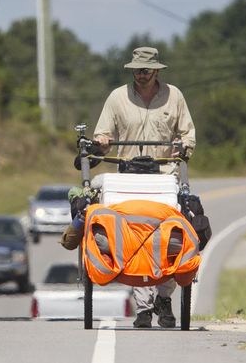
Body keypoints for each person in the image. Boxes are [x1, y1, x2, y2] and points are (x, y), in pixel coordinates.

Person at [93, 46, 196, 329]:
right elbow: (102, 132)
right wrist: (102, 141)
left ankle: (165, 297)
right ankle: (143, 308)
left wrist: (183, 146)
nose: (141, 75)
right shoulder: (117, 97)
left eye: (146, 70)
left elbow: (188, 133)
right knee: (132, 240)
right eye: (137, 70)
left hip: (165, 177)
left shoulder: (174, 97)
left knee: (171, 238)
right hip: (128, 177)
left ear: (157, 71)